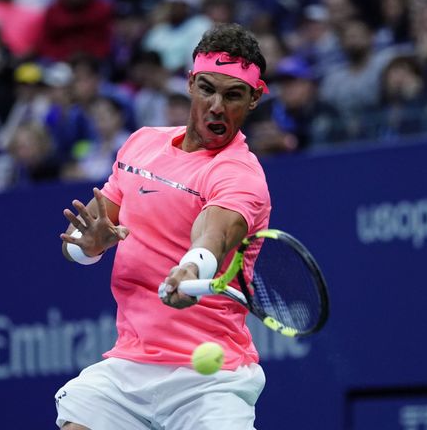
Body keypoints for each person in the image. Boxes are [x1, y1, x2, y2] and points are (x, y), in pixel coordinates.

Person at [54, 23, 271, 429]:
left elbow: (215, 233)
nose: (217, 106)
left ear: (255, 98)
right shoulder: (142, 144)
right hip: (128, 367)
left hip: (211, 380)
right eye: (207, 88)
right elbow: (79, 245)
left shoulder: (240, 175)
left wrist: (191, 268)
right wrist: (90, 246)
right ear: (190, 83)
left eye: (233, 95)